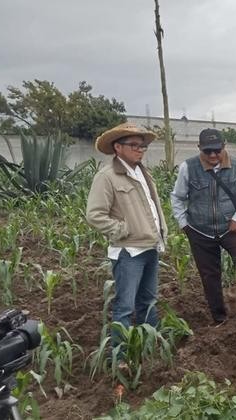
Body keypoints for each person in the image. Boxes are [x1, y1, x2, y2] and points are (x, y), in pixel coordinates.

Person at [86, 122, 167, 350]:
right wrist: (122, 230)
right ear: (118, 147)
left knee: (148, 302)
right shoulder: (107, 176)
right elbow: (94, 214)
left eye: (142, 146)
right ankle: (119, 357)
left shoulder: (143, 173)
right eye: (134, 145)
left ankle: (150, 345)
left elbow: (151, 207)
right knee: (124, 307)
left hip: (150, 247)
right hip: (128, 252)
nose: (140, 150)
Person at [170, 128, 236, 324]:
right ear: (199, 148)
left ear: (224, 146)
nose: (212, 155)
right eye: (207, 151)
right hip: (199, 230)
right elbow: (177, 198)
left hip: (230, 228)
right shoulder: (188, 167)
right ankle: (219, 317)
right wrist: (184, 224)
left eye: (217, 150)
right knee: (209, 274)